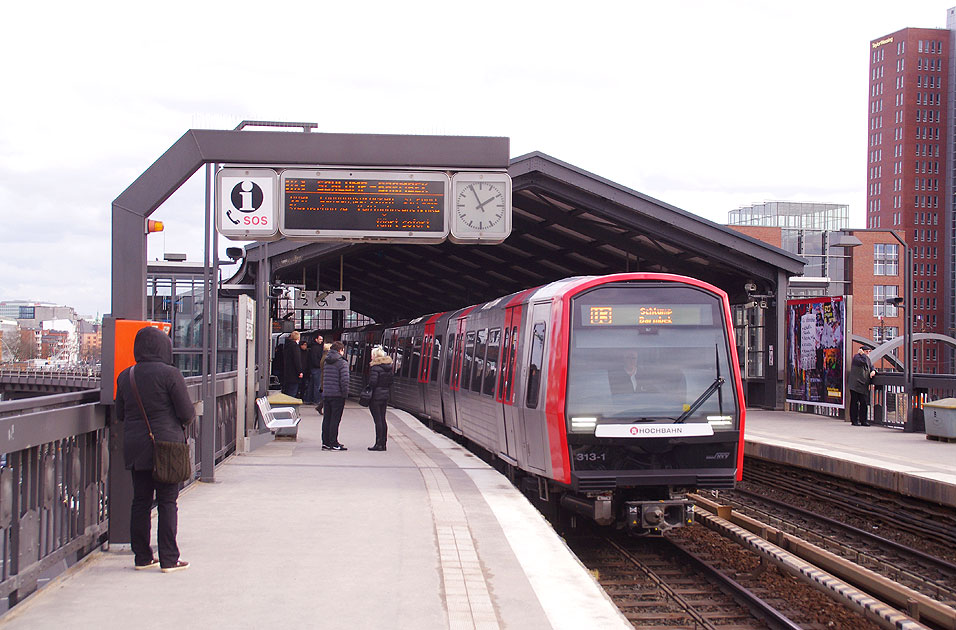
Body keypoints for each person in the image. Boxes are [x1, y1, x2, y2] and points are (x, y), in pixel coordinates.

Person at [113, 326, 194, 573]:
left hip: (137, 447)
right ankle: (169, 558)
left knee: (140, 501)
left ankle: (142, 557)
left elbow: (120, 414)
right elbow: (187, 413)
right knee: (168, 501)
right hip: (166, 447)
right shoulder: (171, 374)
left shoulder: (127, 376)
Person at [322, 341, 349, 451]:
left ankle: (326, 442)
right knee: (335, 419)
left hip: (327, 393)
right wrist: (345, 393)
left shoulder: (327, 361)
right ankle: (333, 443)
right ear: (340, 350)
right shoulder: (342, 362)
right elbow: (345, 380)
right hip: (337, 394)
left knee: (327, 418)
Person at [366, 346, 394, 451]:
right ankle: (383, 443)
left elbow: (373, 382)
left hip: (376, 397)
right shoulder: (389, 368)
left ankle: (378, 444)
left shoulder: (375, 368)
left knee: (377, 420)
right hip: (385, 395)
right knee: (383, 419)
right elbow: (391, 382)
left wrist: (369, 387)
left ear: (374, 356)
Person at [849, 346, 876, 426]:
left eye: (869, 352)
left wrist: (873, 371)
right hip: (855, 384)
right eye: (867, 351)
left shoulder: (866, 358)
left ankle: (863, 420)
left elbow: (871, 366)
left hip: (863, 385)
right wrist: (862, 354)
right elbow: (865, 362)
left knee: (864, 403)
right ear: (862, 351)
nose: (868, 353)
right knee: (855, 403)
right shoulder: (857, 357)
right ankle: (854, 420)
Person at [281, 331, 303, 398]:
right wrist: (300, 371)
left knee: (288, 391)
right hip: (294, 373)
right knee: (293, 392)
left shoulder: (287, 346)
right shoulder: (295, 347)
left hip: (287, 372)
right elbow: (297, 360)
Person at [308, 335, 325, 413]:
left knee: (312, 385)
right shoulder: (317, 348)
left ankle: (309, 399)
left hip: (313, 368)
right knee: (317, 385)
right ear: (316, 339)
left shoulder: (313, 347)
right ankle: (316, 400)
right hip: (316, 368)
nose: (321, 341)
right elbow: (316, 359)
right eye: (320, 339)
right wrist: (319, 365)